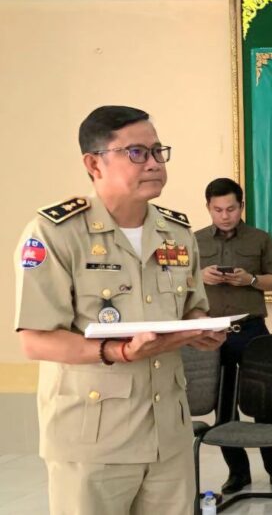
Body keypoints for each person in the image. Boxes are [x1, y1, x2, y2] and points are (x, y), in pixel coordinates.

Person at [14, 105, 225, 515]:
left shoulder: (177, 232)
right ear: (94, 164)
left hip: (169, 435)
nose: (154, 163)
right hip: (95, 440)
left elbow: (193, 309)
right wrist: (119, 351)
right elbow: (36, 341)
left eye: (158, 151)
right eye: (136, 153)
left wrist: (203, 329)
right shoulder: (56, 233)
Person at [194, 177, 272, 495]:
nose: (225, 216)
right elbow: (177, 282)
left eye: (231, 209)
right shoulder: (194, 241)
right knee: (223, 407)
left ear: (241, 206)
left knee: (264, 404)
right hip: (212, 333)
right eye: (218, 209)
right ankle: (237, 473)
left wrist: (250, 280)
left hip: (251, 331)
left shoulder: (259, 238)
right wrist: (199, 276)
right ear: (209, 208)